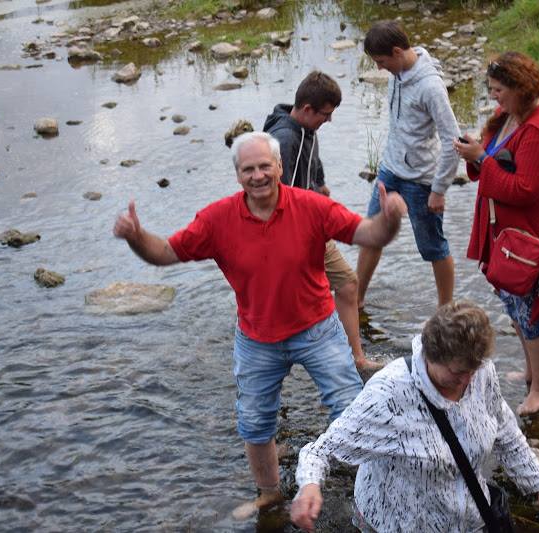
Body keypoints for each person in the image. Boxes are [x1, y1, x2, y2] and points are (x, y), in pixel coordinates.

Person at [112, 132, 407, 516]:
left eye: (265, 166)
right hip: (257, 338)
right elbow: (166, 253)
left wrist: (389, 220)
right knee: (254, 422)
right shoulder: (217, 219)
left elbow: (367, 234)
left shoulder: (311, 206)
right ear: (238, 175)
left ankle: (372, 487)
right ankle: (269, 495)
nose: (257, 176)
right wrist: (136, 236)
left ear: (279, 167)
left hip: (317, 328)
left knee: (354, 409)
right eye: (248, 169)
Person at [290, 301, 539, 532]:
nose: (467, 380)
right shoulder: (389, 394)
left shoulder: (479, 371)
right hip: (396, 524)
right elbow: (320, 451)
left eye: (473, 369)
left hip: (466, 519)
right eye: (457, 373)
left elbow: (504, 429)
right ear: (430, 356)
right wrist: (310, 486)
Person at [454, 51, 539, 416]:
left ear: (519, 89)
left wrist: (480, 159)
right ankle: (531, 370)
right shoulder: (509, 115)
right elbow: (493, 158)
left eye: (498, 90)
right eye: (491, 89)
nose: (493, 97)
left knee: (536, 310)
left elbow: (525, 189)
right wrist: (476, 153)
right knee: (516, 304)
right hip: (507, 233)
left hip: (532, 236)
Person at [263, 71, 382, 372]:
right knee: (299, 304)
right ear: (306, 109)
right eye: (325, 115)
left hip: (310, 226)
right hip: (292, 234)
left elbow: (313, 174)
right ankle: (272, 363)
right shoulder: (286, 139)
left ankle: (355, 358)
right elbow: (280, 195)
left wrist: (320, 188)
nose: (328, 121)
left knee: (346, 284)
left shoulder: (305, 131)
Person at [357, 20, 461, 309]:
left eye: (381, 61)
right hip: (390, 171)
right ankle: (357, 299)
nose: (379, 68)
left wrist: (439, 189)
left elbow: (453, 139)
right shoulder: (397, 72)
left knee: (433, 248)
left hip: (421, 180)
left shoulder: (431, 87)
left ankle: (445, 309)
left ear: (397, 51)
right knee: (370, 235)